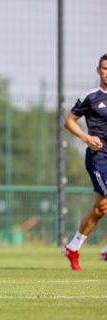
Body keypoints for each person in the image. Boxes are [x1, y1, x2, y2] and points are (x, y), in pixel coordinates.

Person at [63, 53, 107, 270]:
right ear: (98, 70)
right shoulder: (91, 97)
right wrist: (87, 138)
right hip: (99, 159)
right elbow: (69, 121)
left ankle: (73, 247)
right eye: (105, 68)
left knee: (100, 208)